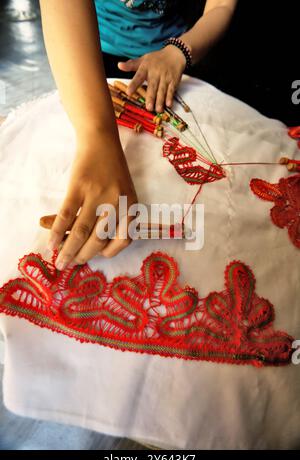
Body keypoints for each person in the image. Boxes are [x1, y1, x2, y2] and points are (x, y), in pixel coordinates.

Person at [39, 0, 237, 270]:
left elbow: (221, 7)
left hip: (178, 57)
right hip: (88, 54)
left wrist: (178, 52)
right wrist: (97, 136)